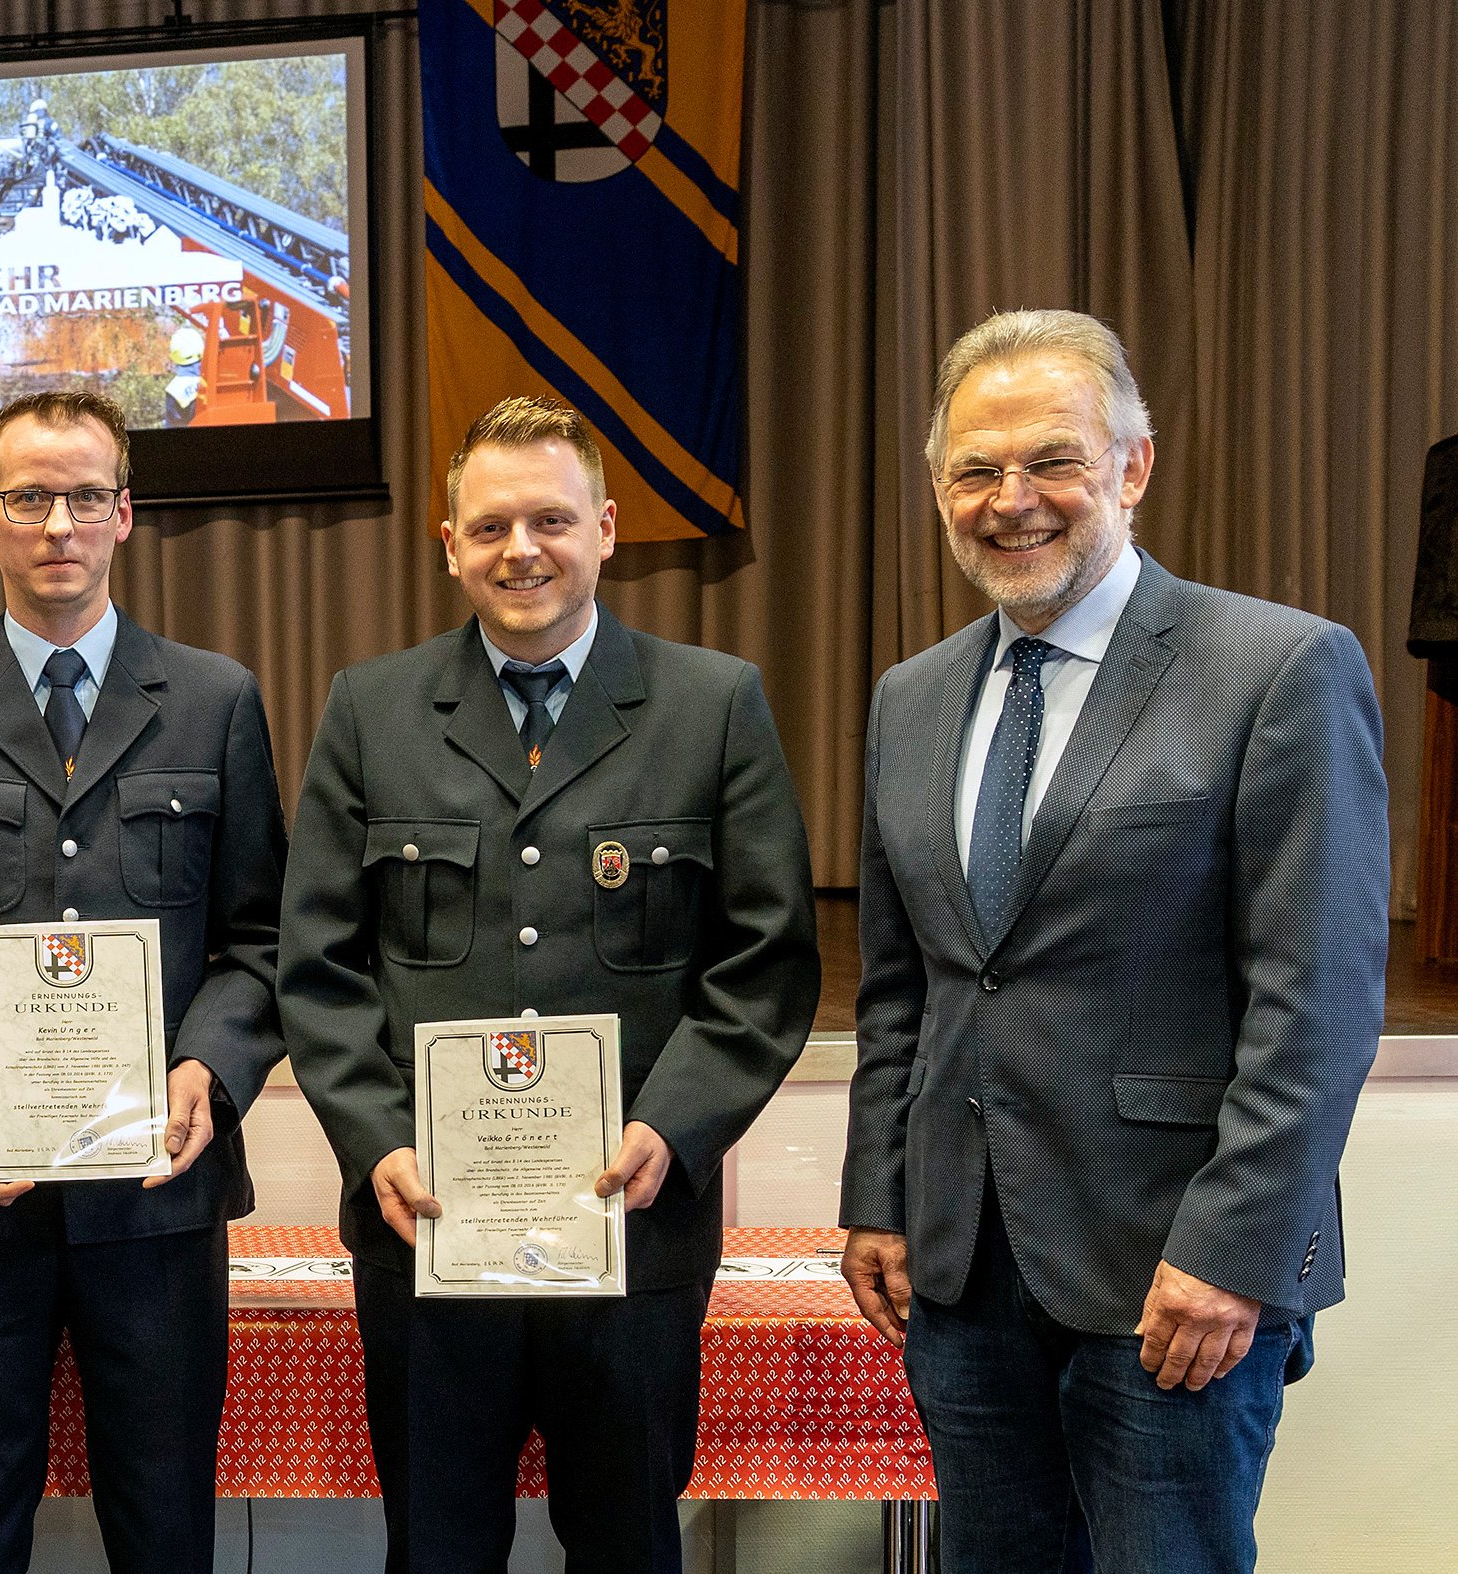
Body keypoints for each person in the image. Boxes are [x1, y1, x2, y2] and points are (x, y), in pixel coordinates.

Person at [841, 309, 1386, 1573]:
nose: (1010, 500)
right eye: (975, 470)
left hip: (1173, 1277)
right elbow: (902, 987)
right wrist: (879, 1195)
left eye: (1052, 460)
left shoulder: (1277, 668)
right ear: (938, 489)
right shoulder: (908, 698)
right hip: (959, 1278)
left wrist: (1231, 1253)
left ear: (1131, 466)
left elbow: (1314, 1002)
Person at [281, 395, 820, 1572]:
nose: (519, 550)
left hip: (632, 1232)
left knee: (628, 1545)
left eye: (550, 520)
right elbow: (316, 966)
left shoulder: (711, 704)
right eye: (489, 527)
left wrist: (672, 1127)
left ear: (604, 529)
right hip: (427, 1230)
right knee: (435, 1549)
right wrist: (375, 1138)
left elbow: (765, 960)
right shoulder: (370, 709)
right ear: (449, 544)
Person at [0, 389, 285, 1574]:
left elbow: (262, 939)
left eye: (85, 496)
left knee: (164, 1525)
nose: (58, 524)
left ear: (124, 513)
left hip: (157, 1200)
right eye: (30, 496)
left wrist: (209, 1065)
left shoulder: (214, 700)